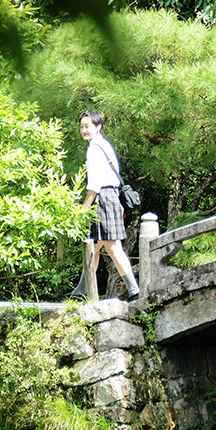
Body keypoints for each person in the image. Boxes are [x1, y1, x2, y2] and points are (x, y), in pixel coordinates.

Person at [66, 109, 140, 302]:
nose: (84, 130)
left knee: (112, 247)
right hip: (109, 196)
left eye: (87, 126)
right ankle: (82, 291)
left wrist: (84, 208)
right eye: (82, 127)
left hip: (104, 198)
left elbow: (95, 184)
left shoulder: (95, 148)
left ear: (98, 127)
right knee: (93, 246)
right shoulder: (102, 145)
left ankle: (134, 291)